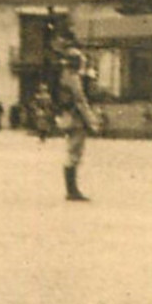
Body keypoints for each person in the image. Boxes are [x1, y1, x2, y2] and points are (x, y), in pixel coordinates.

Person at [56, 41, 97, 201]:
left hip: (67, 117)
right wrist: (91, 120)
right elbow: (80, 101)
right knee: (74, 153)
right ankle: (72, 190)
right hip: (76, 119)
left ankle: (72, 189)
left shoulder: (64, 76)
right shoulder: (73, 78)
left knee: (72, 152)